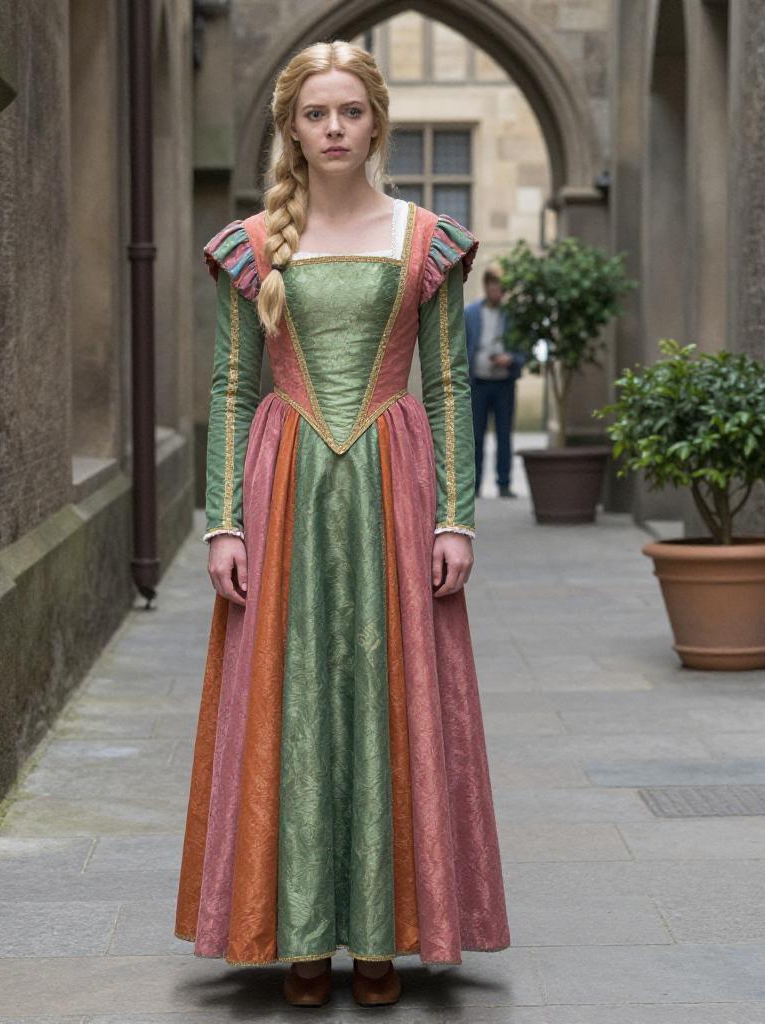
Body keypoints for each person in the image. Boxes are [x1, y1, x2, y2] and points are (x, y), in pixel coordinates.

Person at [175, 40, 510, 1009]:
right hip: (280, 495)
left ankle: (384, 932)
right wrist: (222, 524)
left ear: (375, 121)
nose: (332, 129)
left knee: (389, 691)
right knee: (290, 700)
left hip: (392, 491)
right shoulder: (254, 243)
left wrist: (456, 518)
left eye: (348, 113)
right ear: (292, 126)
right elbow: (233, 388)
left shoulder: (423, 239)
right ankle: (298, 937)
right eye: (314, 114)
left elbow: (446, 386)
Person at [465, 264, 527, 497]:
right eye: (493, 289)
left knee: (504, 434)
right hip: (478, 382)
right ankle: (475, 485)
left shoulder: (512, 316)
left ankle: (504, 483)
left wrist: (510, 359)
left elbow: (523, 350)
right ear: (486, 288)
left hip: (503, 382)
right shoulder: (471, 313)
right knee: (476, 436)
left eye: (500, 290)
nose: (497, 294)